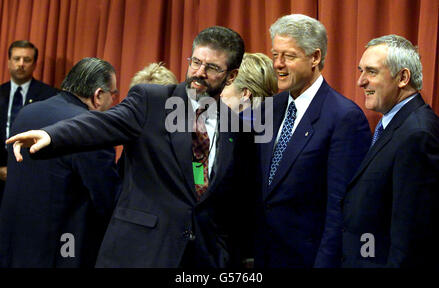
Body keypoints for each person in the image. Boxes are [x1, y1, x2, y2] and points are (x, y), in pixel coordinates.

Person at [7, 26, 253, 268]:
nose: (199, 72)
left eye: (211, 68)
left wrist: (224, 254)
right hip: (141, 253)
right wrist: (52, 135)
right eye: (195, 62)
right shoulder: (152, 101)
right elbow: (103, 123)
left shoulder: (235, 128)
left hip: (202, 258)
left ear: (231, 76)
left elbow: (233, 201)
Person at [253, 14, 372, 268]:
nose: (278, 64)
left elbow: (340, 210)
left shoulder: (344, 118)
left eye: (289, 56)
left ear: (315, 57)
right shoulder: (268, 109)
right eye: (275, 55)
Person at [0, 57, 121, 267]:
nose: (114, 102)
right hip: (60, 251)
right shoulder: (93, 129)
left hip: (13, 244)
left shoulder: (27, 112)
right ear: (99, 95)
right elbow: (106, 200)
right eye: (114, 94)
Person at [341, 35, 439, 268]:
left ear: (403, 77)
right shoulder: (396, 124)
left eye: (371, 72)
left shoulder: (417, 134)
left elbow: (412, 238)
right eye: (360, 71)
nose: (360, 81)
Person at [0, 40, 57, 200]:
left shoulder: (49, 96)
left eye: (27, 60)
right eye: (17, 59)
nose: (21, 64)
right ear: (9, 61)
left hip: (32, 175)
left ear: (35, 64)